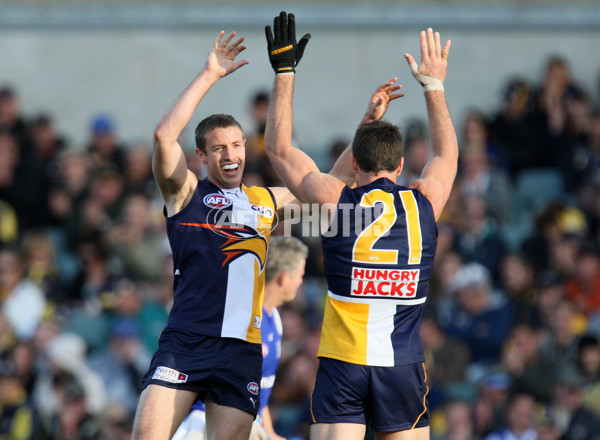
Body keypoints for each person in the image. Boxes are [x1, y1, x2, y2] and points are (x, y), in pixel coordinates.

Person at [132, 29, 391, 440]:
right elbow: (164, 137)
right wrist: (210, 73)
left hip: (241, 352)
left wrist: (366, 125)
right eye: (219, 148)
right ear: (201, 156)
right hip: (186, 341)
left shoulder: (265, 201)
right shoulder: (185, 195)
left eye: (236, 145)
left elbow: (329, 182)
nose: (231, 154)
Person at [263, 11, 457, 440]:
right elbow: (447, 156)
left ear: (353, 163)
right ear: (402, 165)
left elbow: (277, 150)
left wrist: (284, 71)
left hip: (343, 362)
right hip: (403, 364)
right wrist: (434, 86)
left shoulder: (337, 200)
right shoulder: (425, 200)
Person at [172, 236, 309, 440]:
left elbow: (261, 391)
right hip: (206, 423)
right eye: (300, 275)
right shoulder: (241, 319)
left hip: (248, 423)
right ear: (284, 278)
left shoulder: (275, 320)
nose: (301, 281)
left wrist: (269, 433)